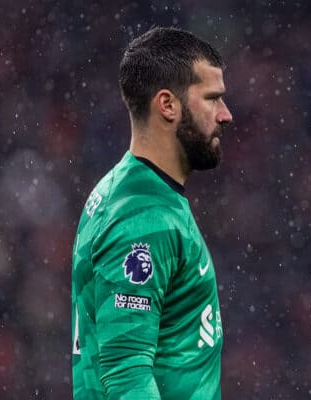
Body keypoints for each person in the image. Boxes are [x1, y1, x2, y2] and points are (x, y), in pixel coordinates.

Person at [71, 27, 233, 400]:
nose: (225, 115)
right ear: (168, 105)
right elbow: (127, 376)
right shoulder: (143, 220)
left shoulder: (129, 191)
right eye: (212, 99)